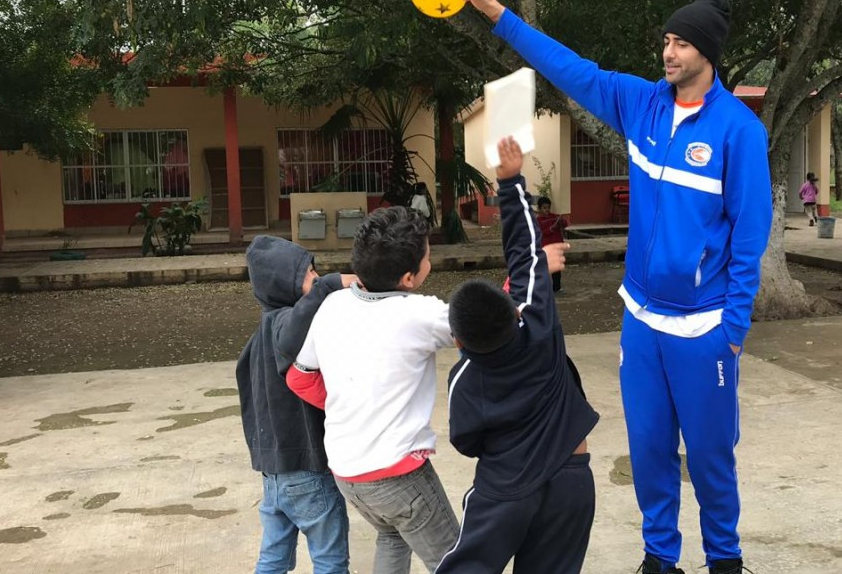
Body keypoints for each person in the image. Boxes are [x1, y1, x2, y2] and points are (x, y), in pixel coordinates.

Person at [464, 0, 772, 574]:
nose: (668, 51)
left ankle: (725, 560)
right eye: (666, 40)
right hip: (642, 319)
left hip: (704, 326)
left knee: (711, 456)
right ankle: (660, 558)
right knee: (649, 448)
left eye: (681, 43)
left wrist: (732, 329)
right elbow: (568, 67)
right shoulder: (641, 104)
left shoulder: (738, 130)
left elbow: (749, 237)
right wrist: (494, 10)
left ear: (706, 53)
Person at [438, 136, 599, 574]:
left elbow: (466, 441)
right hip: (572, 477)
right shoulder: (539, 324)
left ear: (459, 341)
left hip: (505, 490)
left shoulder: (465, 378)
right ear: (513, 310)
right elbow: (524, 254)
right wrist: (510, 181)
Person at [287, 206, 460, 574]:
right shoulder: (422, 313)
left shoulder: (333, 304)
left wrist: (350, 401)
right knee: (459, 562)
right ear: (410, 277)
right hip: (399, 475)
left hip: (348, 472)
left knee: (393, 536)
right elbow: (484, 327)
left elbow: (300, 377)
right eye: (429, 256)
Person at [235, 235, 355, 574]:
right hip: (306, 470)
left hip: (273, 472)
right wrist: (330, 285)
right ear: (281, 282)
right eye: (307, 272)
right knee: (330, 560)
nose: (316, 276)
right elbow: (298, 323)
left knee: (273, 558)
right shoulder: (282, 323)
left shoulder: (258, 335)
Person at [535, 196, 568, 293]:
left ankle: (557, 287)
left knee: (557, 268)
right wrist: (551, 228)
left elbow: (565, 225)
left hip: (557, 244)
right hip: (546, 246)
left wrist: (561, 221)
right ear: (540, 208)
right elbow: (541, 233)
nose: (547, 210)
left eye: (548, 207)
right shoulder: (538, 220)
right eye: (544, 208)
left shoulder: (554, 216)